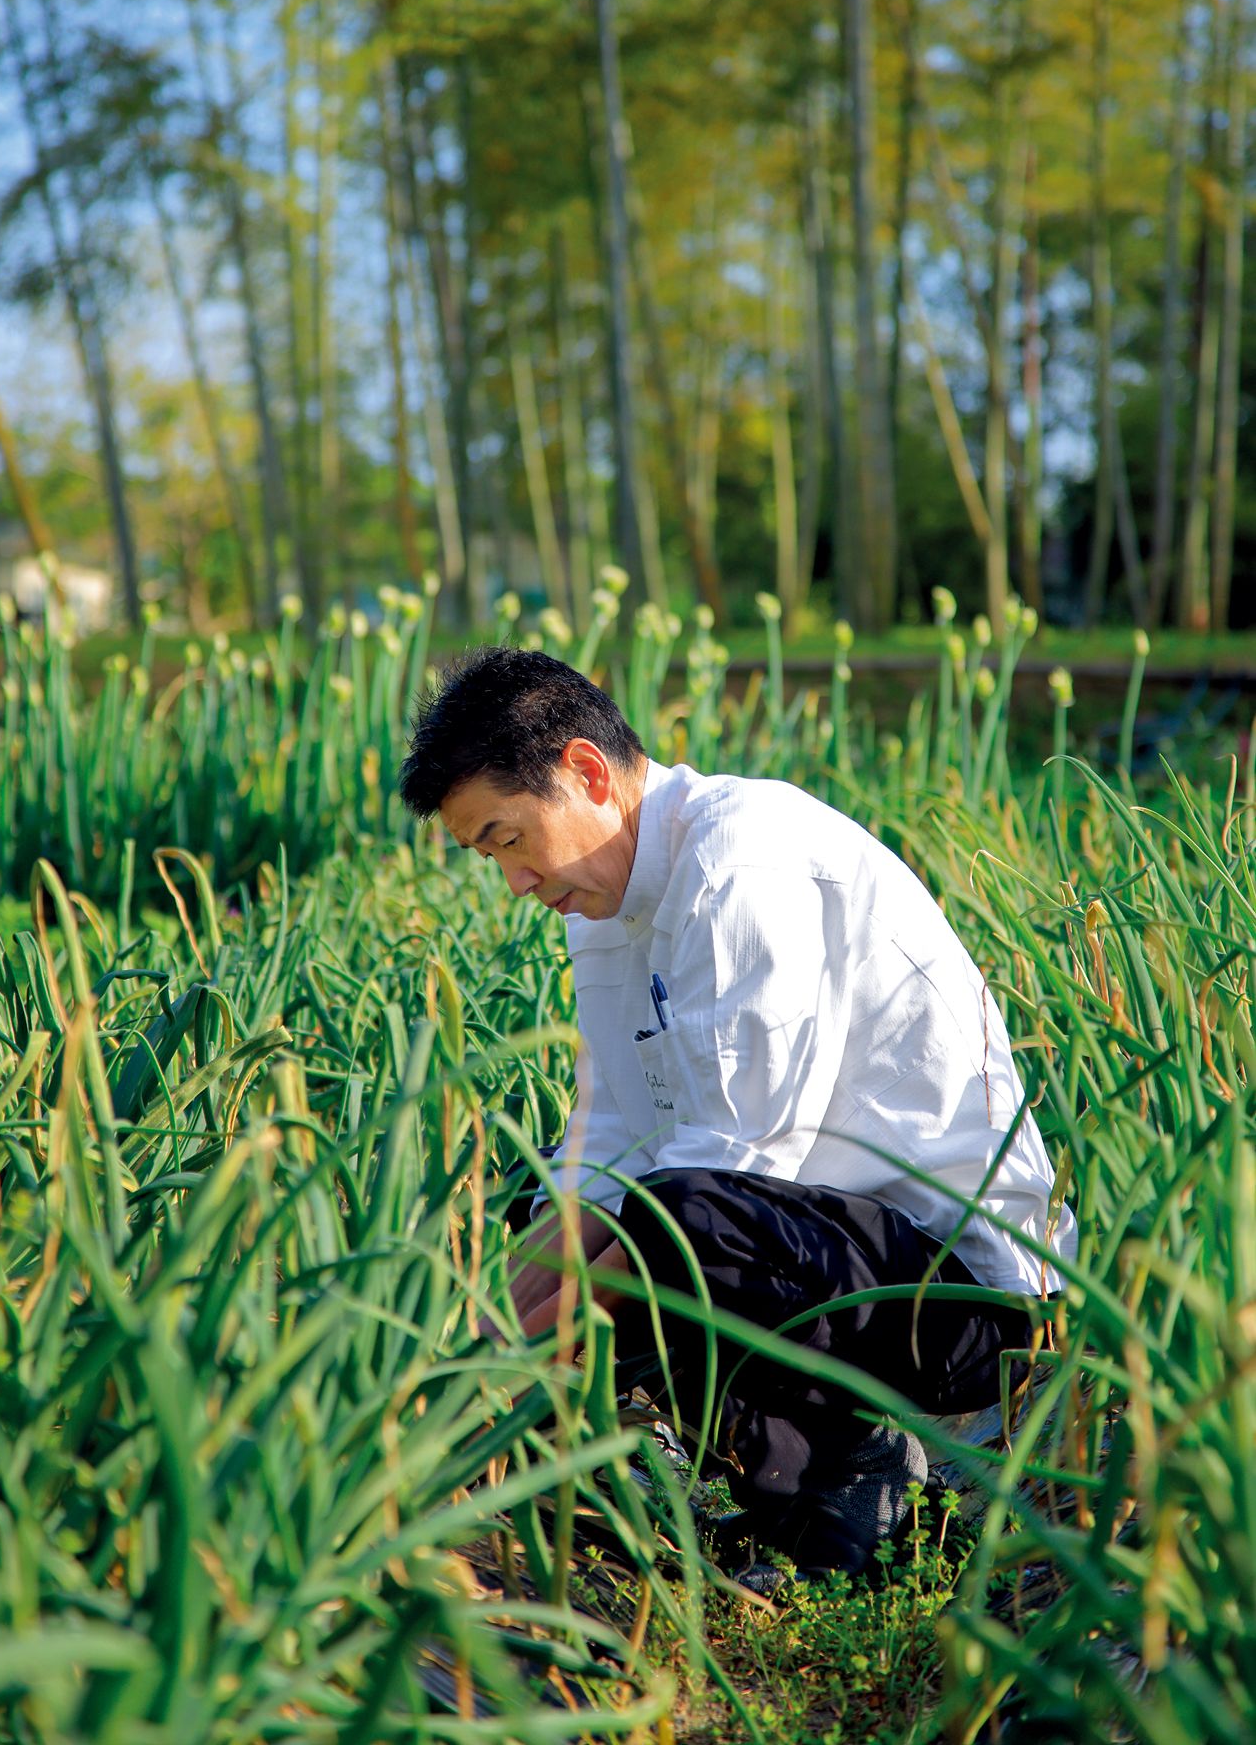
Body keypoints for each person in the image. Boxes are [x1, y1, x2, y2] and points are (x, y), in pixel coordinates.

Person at [399, 645, 1076, 1581]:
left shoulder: (740, 859)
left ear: (587, 772)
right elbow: (610, 1145)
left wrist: (508, 1381)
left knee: (686, 1227)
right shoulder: (603, 913)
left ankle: (864, 1467)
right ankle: (815, 1486)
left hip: (959, 1293)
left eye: (509, 840)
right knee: (547, 1194)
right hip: (819, 1251)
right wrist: (472, 1347)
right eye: (490, 857)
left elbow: (736, 1161)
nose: (514, 881)